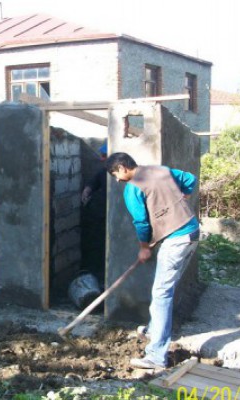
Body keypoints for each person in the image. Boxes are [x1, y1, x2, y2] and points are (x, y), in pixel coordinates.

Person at [105, 152, 199, 369]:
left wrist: (144, 248)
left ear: (122, 168)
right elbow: (190, 180)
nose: (117, 180)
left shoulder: (133, 188)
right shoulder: (160, 170)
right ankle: (154, 329)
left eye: (115, 174)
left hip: (177, 240)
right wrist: (182, 198)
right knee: (166, 288)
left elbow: (142, 223)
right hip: (192, 232)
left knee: (161, 293)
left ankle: (157, 355)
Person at [81, 141, 107, 206]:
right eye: (102, 155)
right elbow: (95, 181)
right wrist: (87, 190)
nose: (101, 159)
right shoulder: (104, 172)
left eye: (104, 155)